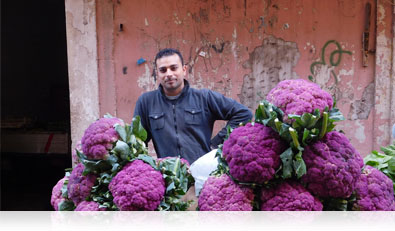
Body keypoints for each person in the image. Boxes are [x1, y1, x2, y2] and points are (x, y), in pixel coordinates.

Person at [133, 48, 252, 164]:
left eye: (174, 68)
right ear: (157, 73)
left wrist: (216, 144)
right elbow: (137, 141)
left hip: (201, 174)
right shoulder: (146, 102)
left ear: (184, 70)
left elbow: (243, 114)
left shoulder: (204, 98)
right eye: (163, 70)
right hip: (169, 178)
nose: (169, 74)